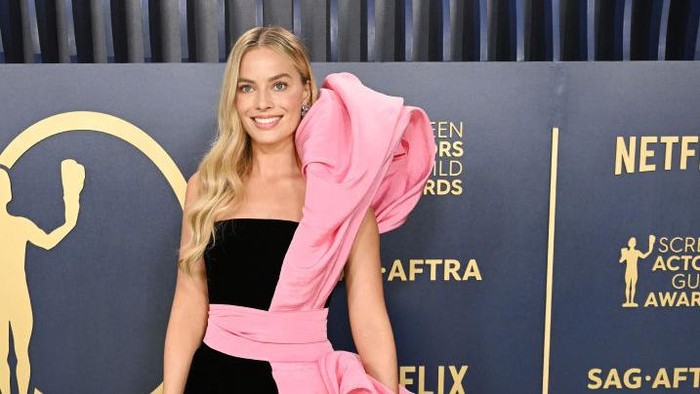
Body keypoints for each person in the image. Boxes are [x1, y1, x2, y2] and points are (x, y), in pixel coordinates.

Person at [163, 26, 434, 393]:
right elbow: (189, 301)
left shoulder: (341, 197)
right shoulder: (207, 187)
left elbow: (368, 315)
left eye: (278, 85)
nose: (262, 103)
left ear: (306, 91)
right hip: (214, 379)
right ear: (234, 98)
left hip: (301, 380)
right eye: (247, 87)